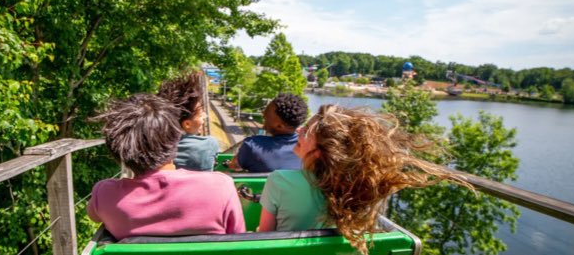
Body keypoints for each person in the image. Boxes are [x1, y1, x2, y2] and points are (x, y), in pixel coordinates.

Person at [256, 104, 472, 254]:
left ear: (322, 150)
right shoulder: (359, 188)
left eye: (307, 131)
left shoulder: (279, 180)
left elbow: (264, 237)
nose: (299, 130)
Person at [87, 94, 245, 239]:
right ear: (175, 137)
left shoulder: (104, 193)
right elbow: (238, 240)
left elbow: (94, 216)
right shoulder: (220, 186)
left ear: (118, 150)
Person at [228, 93, 307, 172]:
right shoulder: (308, 149)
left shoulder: (252, 145)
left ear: (280, 126)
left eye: (266, 119)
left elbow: (233, 166)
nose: (263, 125)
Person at [157, 72, 220, 171]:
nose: (205, 116)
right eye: (200, 114)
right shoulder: (210, 144)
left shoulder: (156, 146)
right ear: (187, 124)